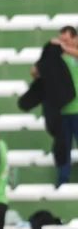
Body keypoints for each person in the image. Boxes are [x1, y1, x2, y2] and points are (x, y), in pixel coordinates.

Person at [52, 26, 78, 185]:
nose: (63, 44)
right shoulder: (58, 58)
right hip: (62, 111)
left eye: (66, 40)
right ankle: (63, 181)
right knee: (63, 148)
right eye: (61, 40)